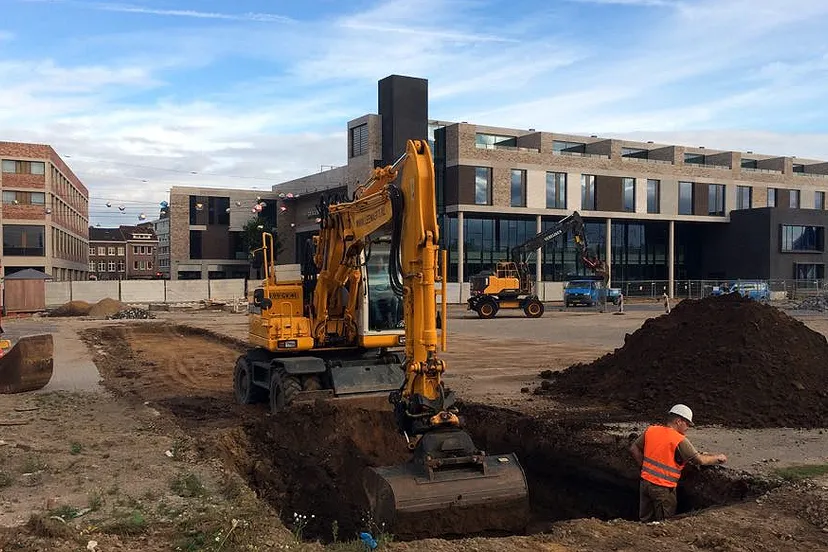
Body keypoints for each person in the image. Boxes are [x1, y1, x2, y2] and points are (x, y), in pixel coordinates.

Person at [629, 404, 727, 523]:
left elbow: (634, 448)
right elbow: (699, 460)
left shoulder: (652, 430)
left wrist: (643, 466)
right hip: (663, 488)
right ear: (678, 421)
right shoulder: (679, 439)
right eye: (687, 423)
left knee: (645, 520)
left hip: (645, 484)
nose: (688, 427)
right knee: (664, 523)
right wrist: (718, 458)